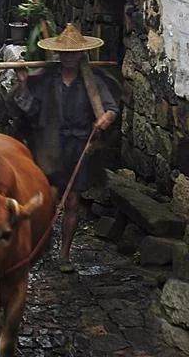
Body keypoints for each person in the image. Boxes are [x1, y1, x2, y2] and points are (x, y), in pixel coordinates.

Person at [11, 23, 119, 273]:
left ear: (82, 54)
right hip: (50, 145)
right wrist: (24, 85)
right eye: (65, 53)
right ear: (58, 55)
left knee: (72, 201)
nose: (69, 57)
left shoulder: (94, 81)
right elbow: (30, 110)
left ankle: (65, 253)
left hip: (79, 146)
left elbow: (111, 107)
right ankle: (41, 244)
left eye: (74, 53)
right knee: (48, 197)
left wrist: (107, 117)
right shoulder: (47, 80)